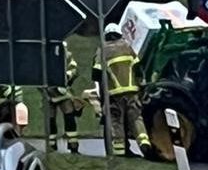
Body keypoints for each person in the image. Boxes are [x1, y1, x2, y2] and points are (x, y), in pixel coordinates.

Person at [93, 23, 152, 158]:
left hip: (114, 94)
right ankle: (144, 142)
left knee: (116, 121)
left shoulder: (103, 50)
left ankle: (120, 153)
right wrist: (141, 85)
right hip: (132, 91)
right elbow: (138, 68)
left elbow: (95, 73)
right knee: (136, 118)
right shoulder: (127, 47)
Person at [44, 42, 83, 154]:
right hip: (48, 93)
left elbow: (74, 69)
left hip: (62, 92)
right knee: (50, 120)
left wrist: (66, 77)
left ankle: (73, 145)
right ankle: (52, 146)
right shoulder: (45, 56)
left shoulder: (66, 55)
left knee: (69, 117)